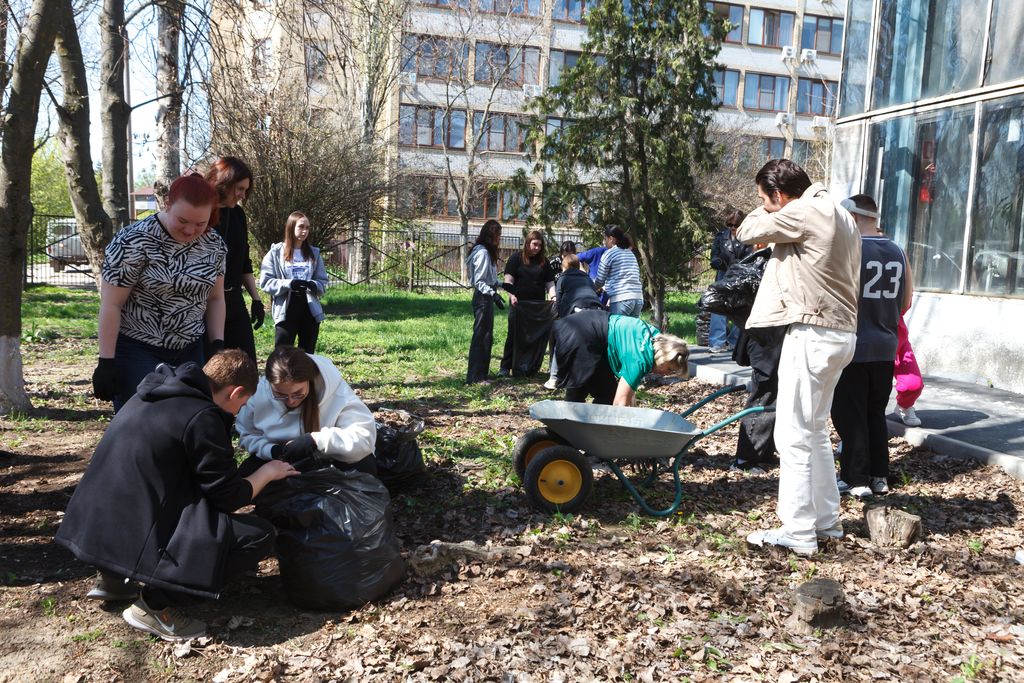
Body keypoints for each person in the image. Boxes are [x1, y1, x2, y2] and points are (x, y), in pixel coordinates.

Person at [56, 350, 298, 641]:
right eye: (242, 404)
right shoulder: (202, 417)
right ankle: (155, 605)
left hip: (92, 525)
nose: (238, 412)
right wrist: (268, 472)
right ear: (234, 393)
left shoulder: (154, 391)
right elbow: (228, 497)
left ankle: (114, 579)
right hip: (135, 523)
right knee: (258, 535)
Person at [738, 159, 861, 557]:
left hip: (813, 331)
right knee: (815, 432)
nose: (763, 205)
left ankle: (798, 531)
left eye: (765, 197)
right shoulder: (841, 213)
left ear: (779, 194)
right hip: (841, 333)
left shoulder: (804, 210)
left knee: (791, 435)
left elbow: (747, 230)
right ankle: (826, 522)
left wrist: (767, 207)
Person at [92, 174, 227, 412]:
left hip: (190, 348)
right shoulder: (133, 241)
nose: (190, 230)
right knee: (141, 419)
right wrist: (106, 361)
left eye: (200, 223)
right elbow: (112, 304)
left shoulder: (214, 244)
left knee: (186, 419)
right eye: (182, 220)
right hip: (138, 348)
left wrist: (217, 344)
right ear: (167, 204)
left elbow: (215, 298)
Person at [832, 194, 912, 498]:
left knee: (850, 414)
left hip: (854, 345)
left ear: (852, 217)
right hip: (885, 346)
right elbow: (905, 301)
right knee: (876, 413)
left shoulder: (850, 249)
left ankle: (855, 478)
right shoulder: (898, 250)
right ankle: (880, 476)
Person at [236, 346, 378, 475]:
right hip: (281, 460)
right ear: (269, 384)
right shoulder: (259, 392)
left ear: (310, 380)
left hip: (329, 458)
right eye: (280, 395)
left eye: (298, 393)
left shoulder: (336, 391)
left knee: (364, 469)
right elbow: (248, 434)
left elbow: (363, 438)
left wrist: (316, 440)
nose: (290, 401)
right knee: (246, 474)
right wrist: (271, 450)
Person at [553, 309, 689, 406]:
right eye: (669, 369)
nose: (666, 374)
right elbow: (620, 404)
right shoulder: (640, 360)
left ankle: (588, 431)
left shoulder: (656, 338)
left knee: (606, 395)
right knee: (579, 393)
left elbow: (629, 388)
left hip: (588, 325)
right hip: (580, 334)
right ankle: (564, 433)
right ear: (661, 357)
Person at [205, 156, 264, 364]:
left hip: (234, 300)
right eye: (239, 188)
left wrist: (256, 299)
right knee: (211, 366)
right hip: (205, 304)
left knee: (245, 364)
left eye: (246, 190)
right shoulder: (202, 213)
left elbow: (243, 260)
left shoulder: (238, 214)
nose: (242, 195)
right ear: (224, 182)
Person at [259, 212, 330, 353]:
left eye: (307, 228)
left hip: (309, 310)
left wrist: (314, 285)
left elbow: (323, 282)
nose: (305, 231)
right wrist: (289, 284)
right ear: (291, 227)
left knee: (308, 355)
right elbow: (266, 282)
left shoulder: (314, 253)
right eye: (301, 227)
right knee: (282, 354)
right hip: (286, 309)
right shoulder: (275, 252)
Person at [499, 230, 556, 377]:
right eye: (535, 244)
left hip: (537, 305)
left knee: (534, 337)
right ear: (527, 243)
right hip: (518, 304)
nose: (537, 248)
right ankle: (505, 367)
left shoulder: (544, 262)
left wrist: (554, 297)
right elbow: (508, 280)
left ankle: (528, 367)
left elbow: (549, 283)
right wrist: (512, 295)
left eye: (540, 245)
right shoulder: (515, 259)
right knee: (513, 334)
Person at [544, 253, 603, 390]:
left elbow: (559, 301)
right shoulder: (587, 278)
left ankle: (554, 378)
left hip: (577, 310)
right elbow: (594, 293)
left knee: (562, 340)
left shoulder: (563, 278)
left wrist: (564, 319)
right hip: (596, 311)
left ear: (563, 267)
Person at [466, 219, 504, 385]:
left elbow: (490, 279)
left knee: (487, 337)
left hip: (486, 297)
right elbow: (479, 282)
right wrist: (493, 294)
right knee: (481, 337)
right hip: (482, 298)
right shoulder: (482, 252)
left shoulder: (487, 251)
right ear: (490, 235)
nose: (499, 238)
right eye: (498, 235)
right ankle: (475, 377)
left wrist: (503, 285)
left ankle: (482, 374)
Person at [708, 210, 752, 353]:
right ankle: (717, 342)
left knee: (740, 309)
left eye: (736, 225)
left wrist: (737, 265)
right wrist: (717, 260)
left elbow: (750, 257)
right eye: (730, 224)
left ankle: (734, 341)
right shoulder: (721, 236)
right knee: (718, 308)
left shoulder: (748, 237)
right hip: (723, 275)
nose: (733, 227)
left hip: (740, 277)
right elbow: (714, 253)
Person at [595, 226, 644, 317]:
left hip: (621, 299)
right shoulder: (630, 253)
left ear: (611, 239)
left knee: (617, 326)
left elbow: (600, 280)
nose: (604, 242)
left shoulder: (609, 253)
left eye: (605, 239)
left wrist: (591, 287)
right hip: (638, 298)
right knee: (631, 326)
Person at [894, 316, 924, 426]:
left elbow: (903, 308)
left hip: (897, 337)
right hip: (866, 338)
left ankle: (904, 407)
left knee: (913, 384)